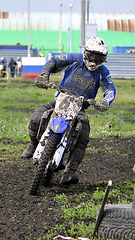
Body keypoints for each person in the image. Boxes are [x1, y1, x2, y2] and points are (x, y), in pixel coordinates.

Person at [22, 37, 116, 185]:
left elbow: (110, 88)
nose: (94, 59)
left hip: (81, 107)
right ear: (86, 53)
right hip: (59, 99)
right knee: (36, 118)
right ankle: (34, 143)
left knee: (83, 136)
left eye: (99, 57)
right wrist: (44, 76)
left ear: (104, 58)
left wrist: (105, 101)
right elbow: (53, 62)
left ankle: (69, 171)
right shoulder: (74, 59)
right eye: (92, 55)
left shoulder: (103, 72)